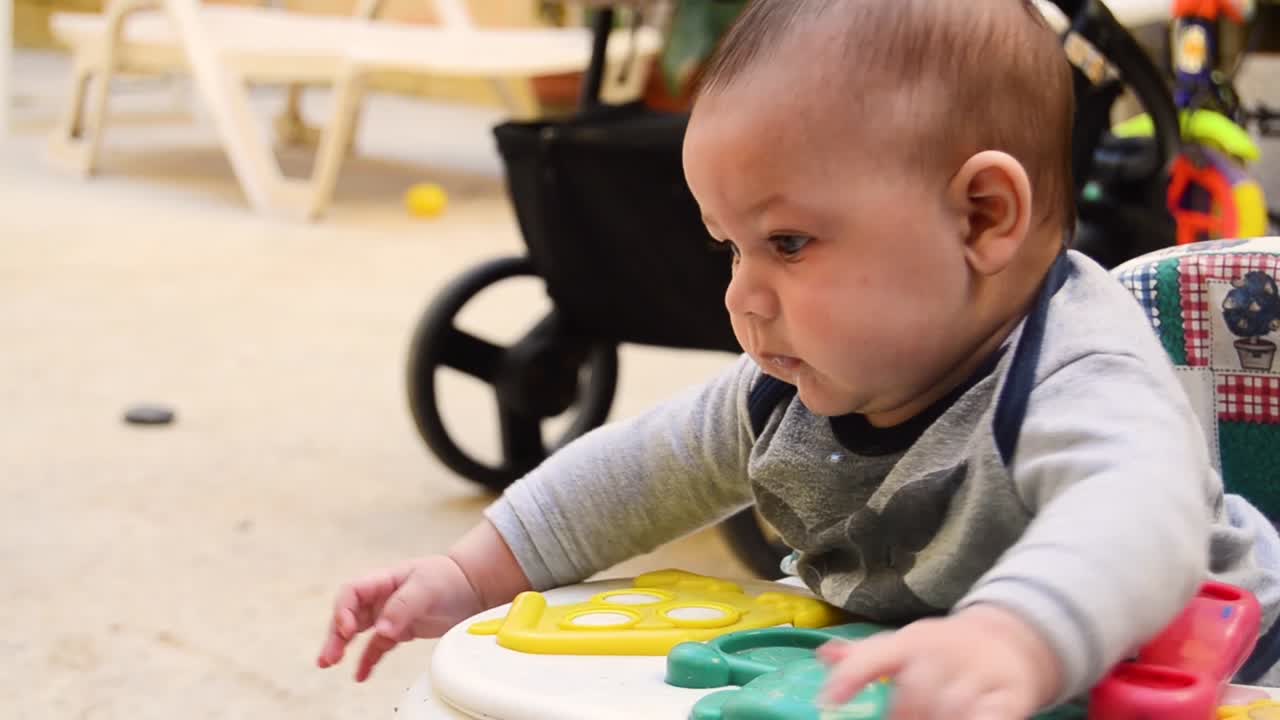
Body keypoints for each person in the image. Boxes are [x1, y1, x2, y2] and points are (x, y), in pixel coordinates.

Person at [317, 1, 1280, 716]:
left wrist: (1017, 635)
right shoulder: (793, 391)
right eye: (730, 249)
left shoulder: (1079, 373)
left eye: (787, 243)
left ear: (981, 217)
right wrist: (471, 573)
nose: (741, 295)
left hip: (1217, 674)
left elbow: (1136, 519)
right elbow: (637, 472)